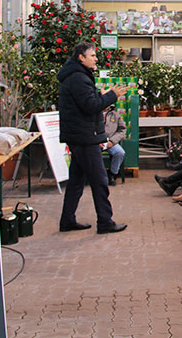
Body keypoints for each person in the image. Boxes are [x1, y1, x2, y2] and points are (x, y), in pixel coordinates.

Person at [58, 42, 128, 234]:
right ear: (81, 57)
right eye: (92, 55)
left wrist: (100, 96)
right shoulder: (79, 78)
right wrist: (111, 96)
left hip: (79, 135)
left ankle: (67, 220)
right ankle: (105, 222)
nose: (96, 58)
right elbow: (90, 106)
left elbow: (85, 103)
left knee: (76, 181)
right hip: (85, 137)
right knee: (100, 180)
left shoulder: (75, 77)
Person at [102, 104, 127, 186]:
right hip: (96, 142)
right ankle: (97, 175)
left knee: (120, 152)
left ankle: (112, 174)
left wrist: (112, 141)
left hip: (110, 141)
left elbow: (122, 129)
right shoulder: (93, 113)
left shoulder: (115, 115)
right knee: (91, 153)